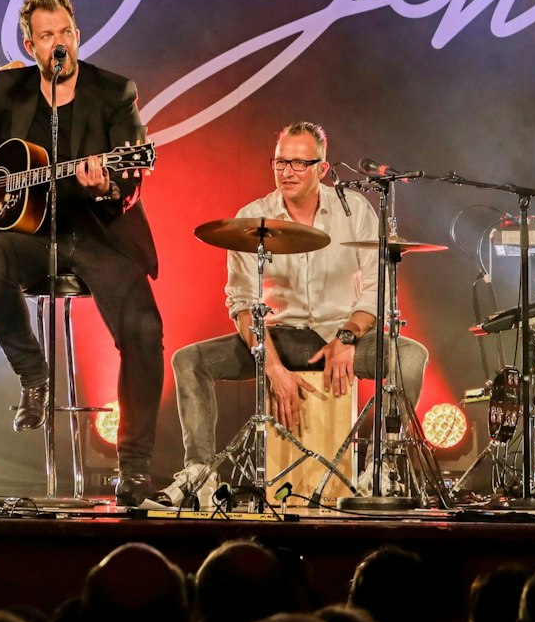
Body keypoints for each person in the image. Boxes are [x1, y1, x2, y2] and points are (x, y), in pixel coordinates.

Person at [0, 0, 164, 506]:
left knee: (143, 328)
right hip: (31, 237)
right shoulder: (9, 91)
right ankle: (34, 375)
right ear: (31, 45)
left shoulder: (115, 92)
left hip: (98, 234)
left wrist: (109, 184)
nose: (59, 44)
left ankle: (136, 465)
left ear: (78, 36)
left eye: (66, 33)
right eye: (47, 36)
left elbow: (133, 171)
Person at [166, 122, 429, 506]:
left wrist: (347, 338)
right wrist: (271, 366)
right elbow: (241, 304)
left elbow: (376, 289)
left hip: (341, 336)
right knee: (188, 360)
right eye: (280, 162)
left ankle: (380, 464)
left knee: (411, 356)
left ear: (322, 168)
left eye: (298, 163)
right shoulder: (253, 216)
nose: (286, 172)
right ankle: (199, 473)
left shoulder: (352, 209)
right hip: (279, 337)